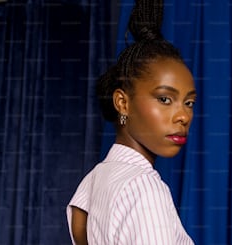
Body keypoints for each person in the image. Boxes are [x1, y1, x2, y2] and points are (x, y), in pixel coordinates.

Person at [66, 0, 196, 244]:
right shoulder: (143, 188)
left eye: (189, 103)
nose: (183, 116)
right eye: (165, 99)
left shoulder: (93, 181)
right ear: (122, 103)